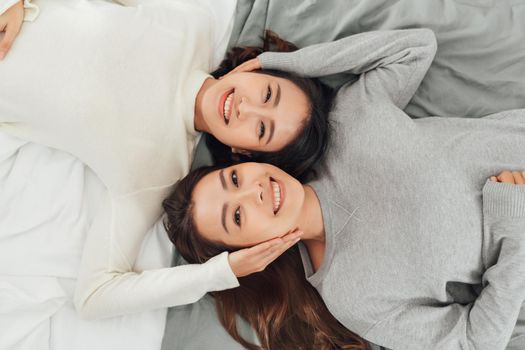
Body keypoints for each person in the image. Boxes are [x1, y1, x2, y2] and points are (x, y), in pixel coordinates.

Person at [163, 29, 525, 349]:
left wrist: (271, 64)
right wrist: (513, 234)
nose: (253, 192)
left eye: (235, 179)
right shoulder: (351, 298)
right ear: (252, 252)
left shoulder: (344, 120)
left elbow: (414, 47)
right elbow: (476, 342)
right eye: (238, 216)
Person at [0, 0, 332, 319]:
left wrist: (219, 273)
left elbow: (93, 295)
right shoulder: (194, 25)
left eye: (261, 129)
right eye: (268, 94)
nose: (247, 107)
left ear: (244, 155)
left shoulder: (159, 172)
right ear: (253, 69)